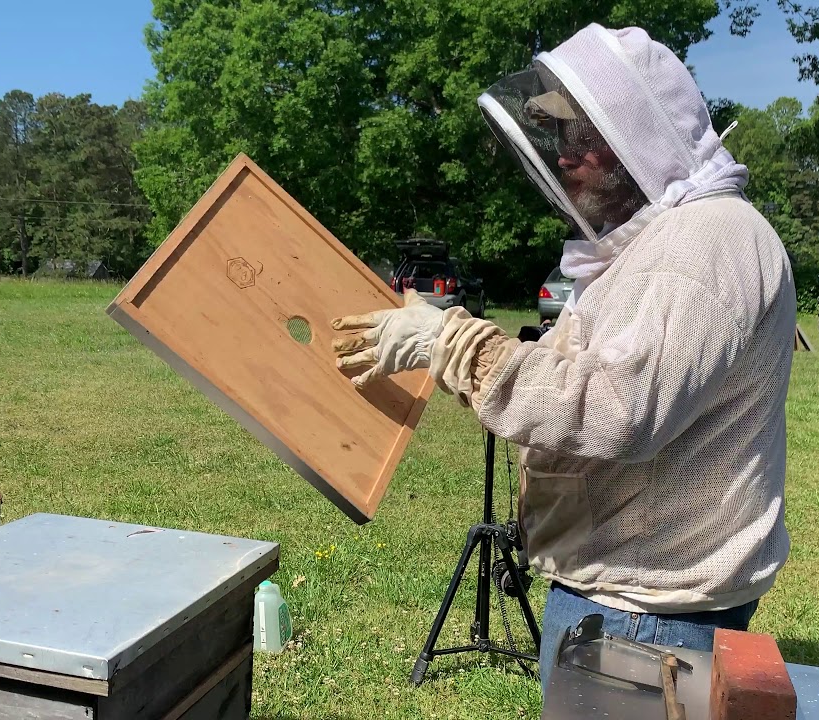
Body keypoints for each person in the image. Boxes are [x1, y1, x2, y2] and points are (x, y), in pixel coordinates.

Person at [332, 23, 795, 680]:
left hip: (647, 610)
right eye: (561, 139)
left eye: (587, 138)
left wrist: (452, 345)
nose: (567, 157)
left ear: (642, 132)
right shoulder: (665, 240)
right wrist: (456, 342)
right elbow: (585, 370)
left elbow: (615, 406)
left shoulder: (700, 244)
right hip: (637, 595)